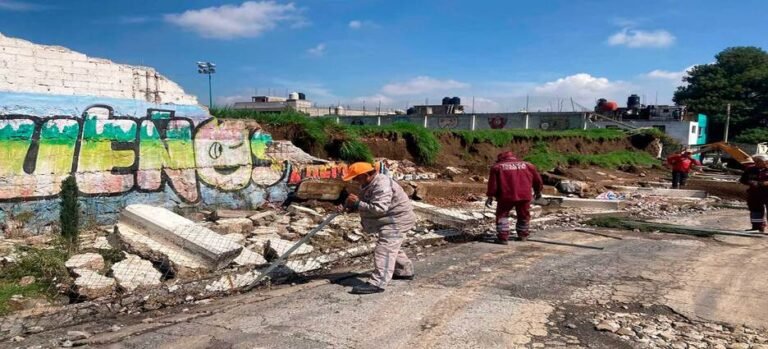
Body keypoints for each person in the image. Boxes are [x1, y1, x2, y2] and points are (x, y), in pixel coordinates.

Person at [341, 162, 416, 294]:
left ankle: (378, 283)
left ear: (365, 175)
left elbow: (380, 208)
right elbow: (368, 202)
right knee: (392, 247)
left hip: (396, 220)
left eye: (356, 177)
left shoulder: (382, 185)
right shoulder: (368, 183)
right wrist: (351, 205)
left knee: (384, 249)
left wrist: (358, 203)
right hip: (389, 219)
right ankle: (404, 271)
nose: (354, 180)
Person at [485, 151, 543, 244]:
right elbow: (537, 180)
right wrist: (538, 191)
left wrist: (490, 196)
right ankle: (523, 235)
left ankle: (503, 238)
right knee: (524, 215)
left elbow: (493, 185)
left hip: (505, 196)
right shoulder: (528, 165)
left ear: (500, 158)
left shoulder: (497, 167)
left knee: (502, 216)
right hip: (524, 195)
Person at [739, 154, 768, 233]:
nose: (756, 163)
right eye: (755, 161)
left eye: (758, 161)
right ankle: (757, 227)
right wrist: (751, 182)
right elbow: (743, 180)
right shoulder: (750, 169)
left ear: (766, 162)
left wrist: (764, 183)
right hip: (755, 193)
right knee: (755, 210)